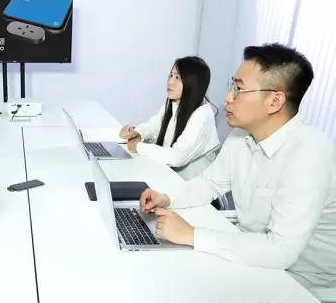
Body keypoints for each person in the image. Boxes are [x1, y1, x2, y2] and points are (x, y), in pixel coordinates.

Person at [139, 43, 336, 289]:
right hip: (251, 258)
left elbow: (281, 250)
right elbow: (210, 183)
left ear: (274, 101)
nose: (227, 98)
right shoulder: (241, 136)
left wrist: (191, 234)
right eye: (231, 86)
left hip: (303, 284)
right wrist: (168, 198)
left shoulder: (311, 152)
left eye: (239, 89)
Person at [120, 56, 220, 180]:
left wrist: (139, 146)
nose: (170, 82)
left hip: (192, 187)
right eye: (171, 75)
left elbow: (177, 157)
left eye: (177, 77)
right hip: (170, 178)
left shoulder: (203, 115)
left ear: (193, 83)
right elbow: (155, 126)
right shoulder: (175, 103)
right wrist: (137, 133)